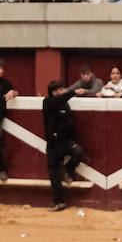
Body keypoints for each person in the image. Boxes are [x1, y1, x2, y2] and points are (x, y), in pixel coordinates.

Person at [42, 79, 86, 211]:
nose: (63, 91)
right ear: (54, 92)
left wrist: (59, 130)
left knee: (78, 152)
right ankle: (59, 202)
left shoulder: (64, 104)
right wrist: (73, 92)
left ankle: (67, 168)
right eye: (61, 90)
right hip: (53, 144)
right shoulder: (48, 102)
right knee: (53, 173)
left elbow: (70, 123)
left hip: (64, 141)